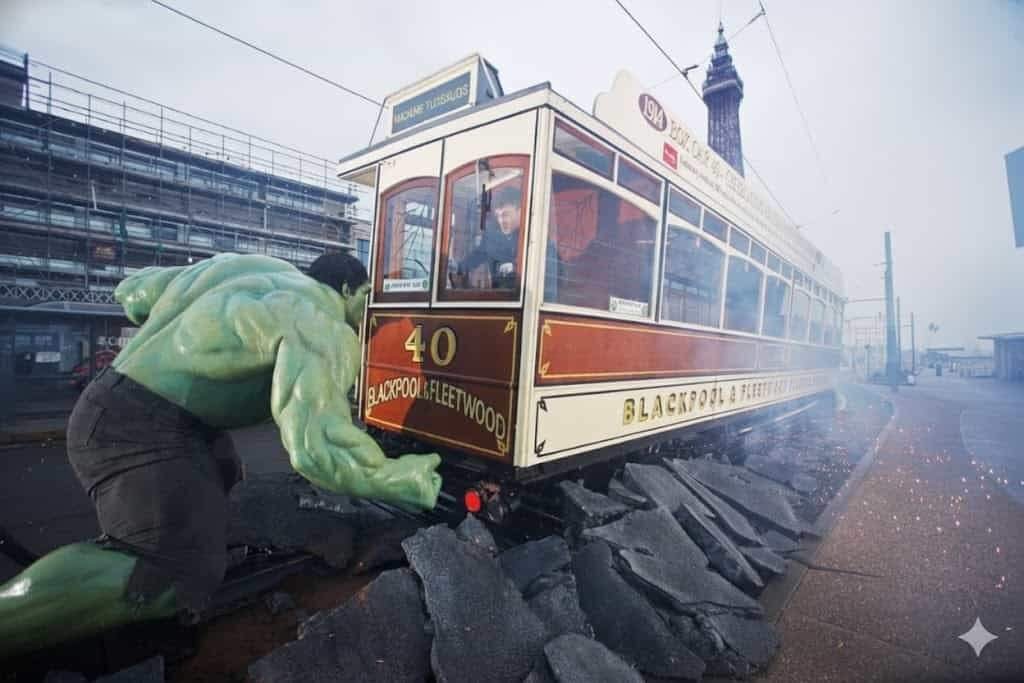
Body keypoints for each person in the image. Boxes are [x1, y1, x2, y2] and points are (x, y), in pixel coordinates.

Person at [0, 252, 441, 658]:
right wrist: (401, 477)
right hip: (139, 427)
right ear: (348, 290)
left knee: (222, 475)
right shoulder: (322, 322)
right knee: (172, 569)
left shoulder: (247, 269)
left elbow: (136, 290)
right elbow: (317, 449)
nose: (371, 313)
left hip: (126, 403)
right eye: (368, 298)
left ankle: (147, 611)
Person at [459, 185, 521, 289]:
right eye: (498, 216)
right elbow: (477, 256)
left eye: (506, 215)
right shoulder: (491, 238)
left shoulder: (534, 237)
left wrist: (515, 267)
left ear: (520, 212)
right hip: (497, 297)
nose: (501, 221)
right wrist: (459, 267)